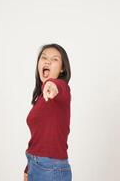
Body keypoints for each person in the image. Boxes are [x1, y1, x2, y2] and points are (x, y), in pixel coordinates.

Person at [23, 43, 72, 181]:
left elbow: (58, 86)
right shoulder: (40, 97)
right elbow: (38, 136)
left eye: (55, 59)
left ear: (62, 69)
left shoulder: (62, 89)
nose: (47, 61)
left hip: (51, 169)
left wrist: (51, 84)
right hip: (36, 166)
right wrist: (28, 168)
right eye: (44, 57)